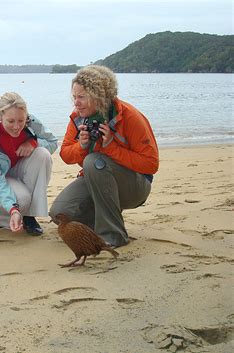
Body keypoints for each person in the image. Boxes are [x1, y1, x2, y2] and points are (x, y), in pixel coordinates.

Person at [49, 65, 159, 247]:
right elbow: (66, 155)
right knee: (61, 214)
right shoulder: (79, 118)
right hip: (96, 179)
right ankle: (101, 223)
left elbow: (151, 164)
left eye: (81, 97)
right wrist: (82, 145)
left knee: (94, 162)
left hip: (135, 187)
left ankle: (113, 235)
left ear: (99, 96)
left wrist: (110, 147)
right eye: (74, 97)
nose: (76, 103)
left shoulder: (129, 116)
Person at [0, 92, 57, 235]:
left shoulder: (30, 121)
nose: (17, 126)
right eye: (11, 121)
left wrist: (33, 142)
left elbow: (53, 142)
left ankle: (28, 215)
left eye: (21, 120)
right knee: (21, 200)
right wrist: (13, 208)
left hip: (13, 170)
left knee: (42, 154)